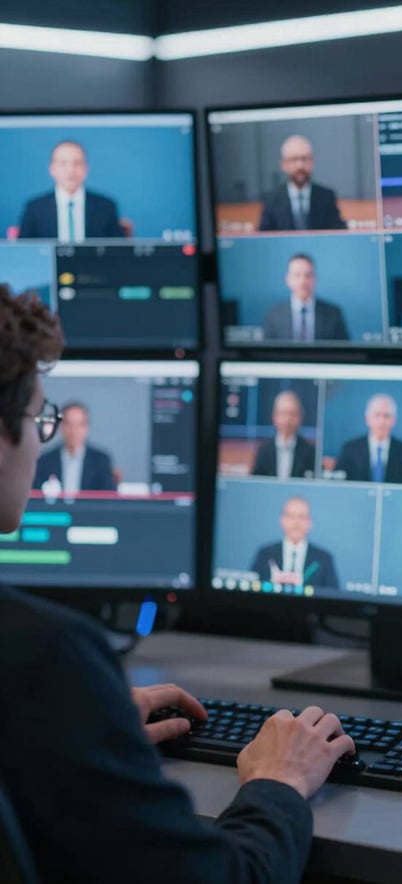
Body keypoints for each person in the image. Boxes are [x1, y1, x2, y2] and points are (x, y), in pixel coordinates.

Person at [0, 285, 355, 883]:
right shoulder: (47, 655)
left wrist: (87, 729)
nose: (43, 440)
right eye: (39, 418)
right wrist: (280, 781)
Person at [18, 140, 126, 240]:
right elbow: (23, 249)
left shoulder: (105, 207)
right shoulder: (35, 208)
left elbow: (118, 249)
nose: (70, 170)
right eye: (63, 163)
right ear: (52, 169)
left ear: (86, 169)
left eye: (77, 163)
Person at [258, 135, 346, 231]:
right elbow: (264, 235)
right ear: (283, 164)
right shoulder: (272, 199)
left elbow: (338, 231)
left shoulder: (326, 197)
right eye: (294, 159)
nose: (300, 165)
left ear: (312, 162)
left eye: (305, 158)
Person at [251, 497, 339, 590]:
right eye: (291, 516)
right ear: (282, 520)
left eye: (301, 517)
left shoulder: (323, 559)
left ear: (310, 522)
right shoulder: (265, 554)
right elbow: (251, 588)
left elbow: (332, 593)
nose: (296, 522)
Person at [262, 253, 350, 342]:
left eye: (308, 275)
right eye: (297, 275)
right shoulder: (274, 315)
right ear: (288, 279)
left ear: (315, 279)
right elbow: (266, 348)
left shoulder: (333, 314)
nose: (303, 281)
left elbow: (344, 348)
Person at [33, 401, 117, 492]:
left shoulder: (101, 461)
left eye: (79, 424)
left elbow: (107, 495)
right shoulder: (45, 460)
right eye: (69, 424)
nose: (74, 431)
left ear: (87, 427)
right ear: (61, 426)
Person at [335, 393, 402, 484]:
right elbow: (339, 484)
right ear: (367, 419)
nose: (381, 421)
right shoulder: (350, 449)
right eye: (377, 415)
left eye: (386, 416)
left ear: (394, 420)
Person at [252, 390, 316, 479]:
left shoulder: (311, 452)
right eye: (283, 413)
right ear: (274, 417)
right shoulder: (264, 451)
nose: (287, 419)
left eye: (292, 414)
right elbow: (255, 482)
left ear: (300, 417)